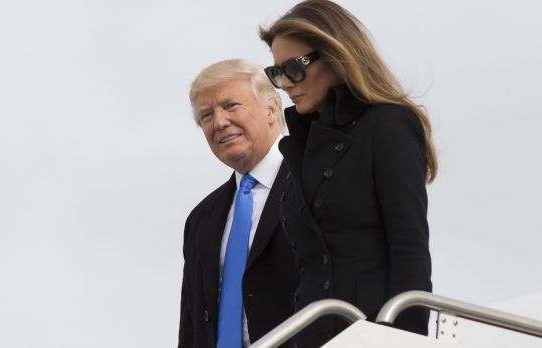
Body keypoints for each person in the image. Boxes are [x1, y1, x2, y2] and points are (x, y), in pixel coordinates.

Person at [258, 0, 438, 346]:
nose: (285, 84)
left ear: (336, 55)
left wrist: (405, 340)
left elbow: (409, 247)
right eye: (276, 73)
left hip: (372, 332)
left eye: (294, 68)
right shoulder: (301, 145)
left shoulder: (388, 125)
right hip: (309, 335)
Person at [178, 59, 298, 348]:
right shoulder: (201, 218)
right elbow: (191, 325)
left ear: (271, 109)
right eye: (206, 116)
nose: (219, 122)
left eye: (231, 106)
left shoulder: (311, 185)